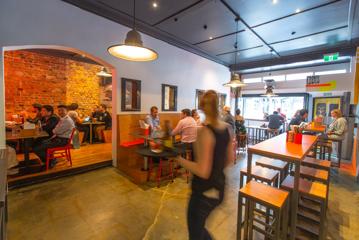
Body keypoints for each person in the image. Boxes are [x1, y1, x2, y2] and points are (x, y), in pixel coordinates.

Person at [175, 90, 233, 240]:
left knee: (195, 231)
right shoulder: (227, 128)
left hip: (203, 192)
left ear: (201, 108)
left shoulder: (204, 132)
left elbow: (203, 170)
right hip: (219, 188)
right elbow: (229, 160)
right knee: (199, 229)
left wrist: (180, 160)